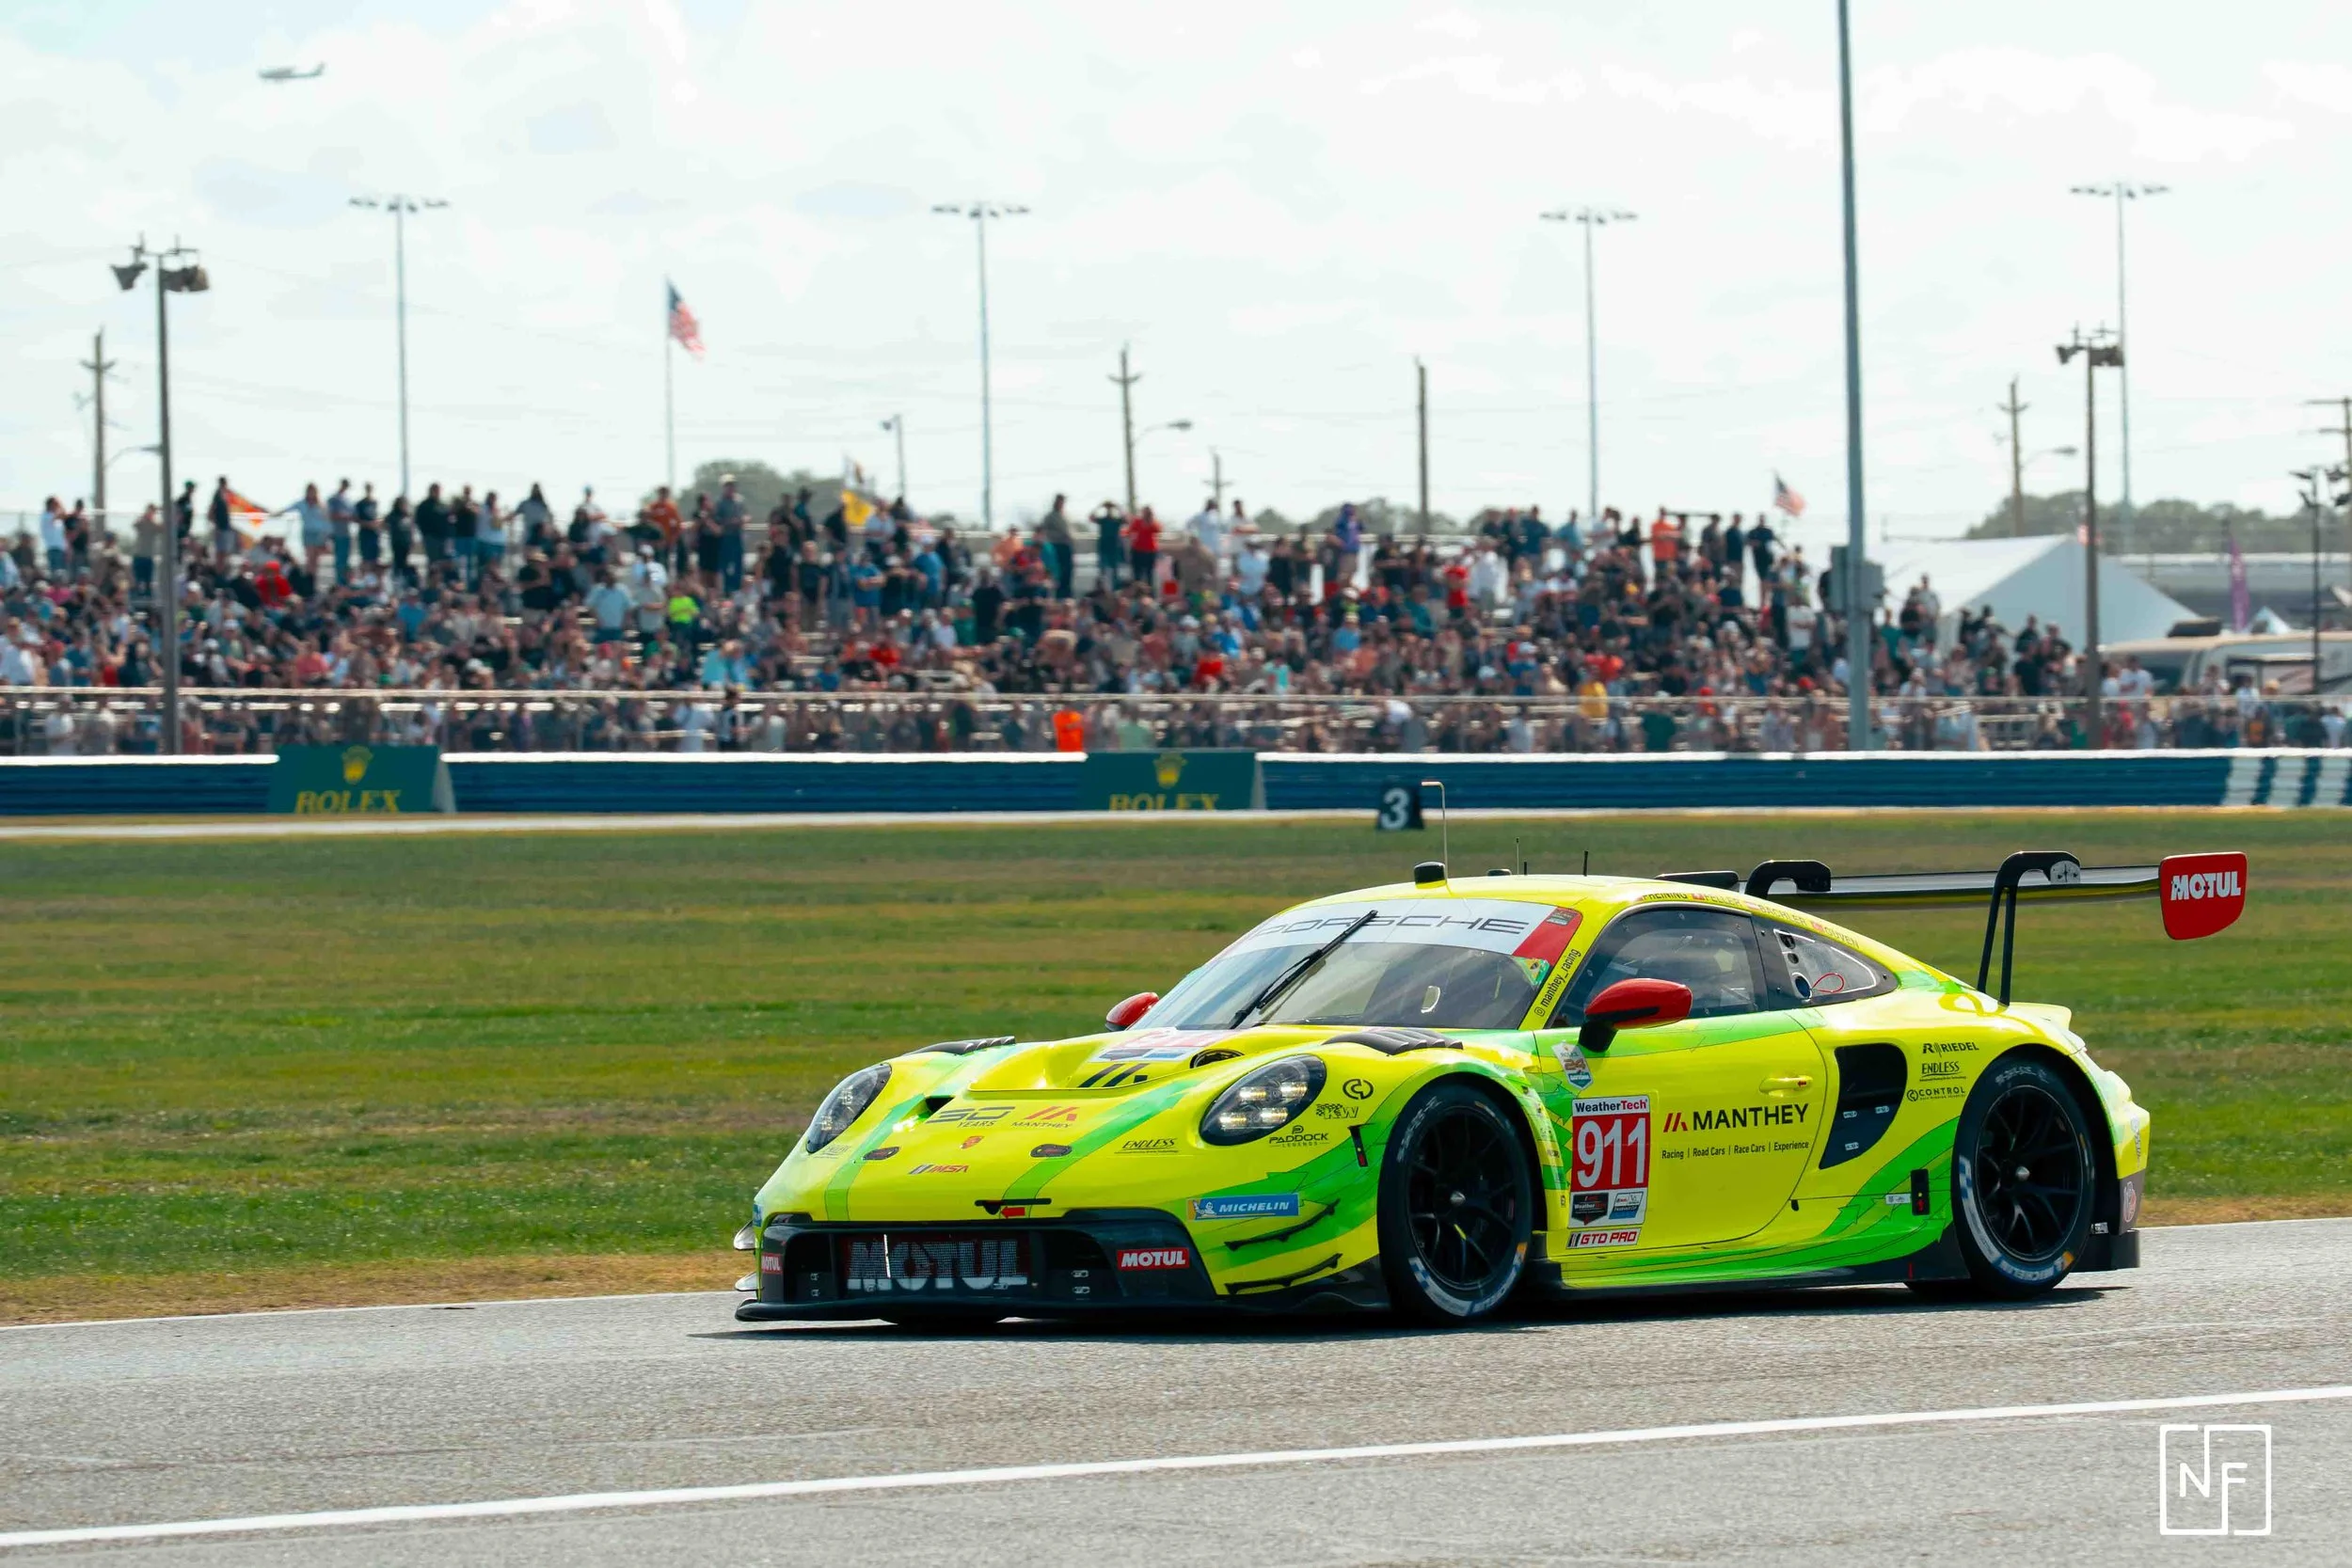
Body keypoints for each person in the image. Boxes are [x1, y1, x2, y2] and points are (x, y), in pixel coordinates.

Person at [1038, 493, 1075, 599]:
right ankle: (1059, 596)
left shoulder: (1065, 515)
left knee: (1068, 572)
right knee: (1059, 573)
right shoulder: (1050, 516)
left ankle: (1067, 595)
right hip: (1057, 546)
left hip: (1067, 546)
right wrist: (1058, 536)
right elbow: (1045, 530)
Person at [326, 478, 356, 585]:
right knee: (340, 560)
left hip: (347, 532)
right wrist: (344, 516)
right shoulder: (333, 499)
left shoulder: (347, 500)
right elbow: (330, 515)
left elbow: (353, 515)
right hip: (338, 532)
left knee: (346, 559)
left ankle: (345, 582)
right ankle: (340, 583)